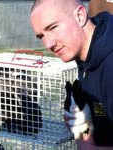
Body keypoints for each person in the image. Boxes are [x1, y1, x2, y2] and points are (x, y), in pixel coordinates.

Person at [30, 0, 113, 149]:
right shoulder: (87, 56)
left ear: (80, 16)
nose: (48, 44)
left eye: (53, 27)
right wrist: (83, 127)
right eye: (41, 36)